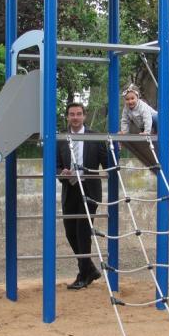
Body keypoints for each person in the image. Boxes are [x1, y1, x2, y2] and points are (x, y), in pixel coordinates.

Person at [57, 102, 109, 290]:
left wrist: (116, 148)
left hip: (89, 190)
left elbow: (107, 162)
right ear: (68, 117)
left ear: (84, 116)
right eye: (72, 114)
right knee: (70, 232)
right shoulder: (61, 137)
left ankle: (83, 274)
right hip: (70, 188)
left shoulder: (94, 137)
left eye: (79, 114)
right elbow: (55, 165)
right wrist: (61, 173)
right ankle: (91, 270)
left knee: (83, 231)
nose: (75, 117)